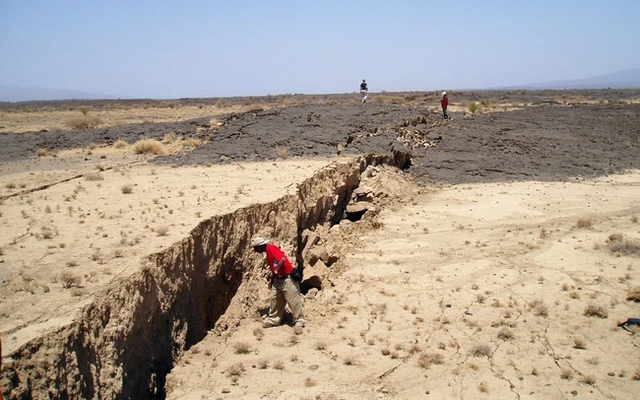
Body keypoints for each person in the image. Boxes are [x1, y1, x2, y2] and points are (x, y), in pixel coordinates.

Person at [251, 236, 305, 328]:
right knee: (275, 299)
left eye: (255, 248)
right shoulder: (268, 250)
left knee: (293, 300)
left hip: (287, 279)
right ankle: (274, 319)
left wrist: (276, 269)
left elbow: (282, 259)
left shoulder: (271, 248)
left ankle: (299, 320)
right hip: (278, 279)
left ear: (259, 246)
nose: (255, 251)